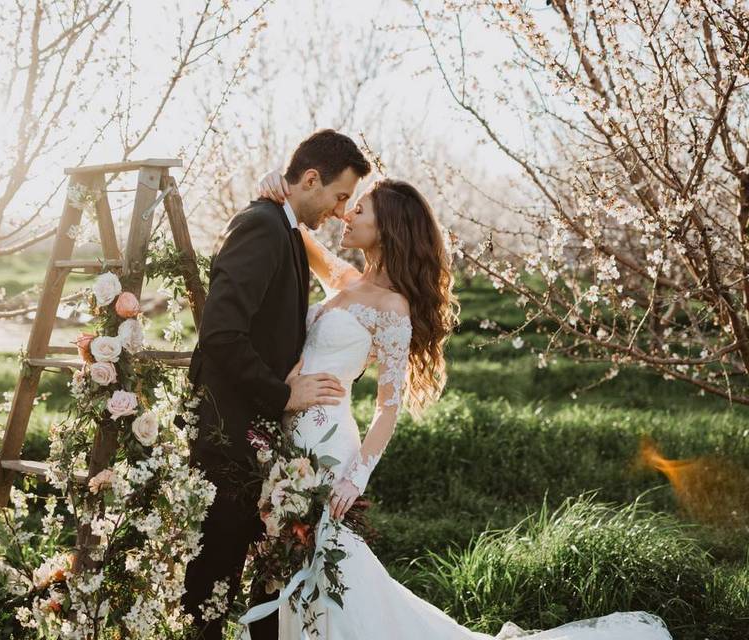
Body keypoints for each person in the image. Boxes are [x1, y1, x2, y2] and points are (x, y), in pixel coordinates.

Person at [247, 171, 673, 640]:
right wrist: (277, 185)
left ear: (387, 228)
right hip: (290, 437)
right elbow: (299, 226)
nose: (347, 214)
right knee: (296, 555)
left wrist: (356, 477)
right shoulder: (343, 281)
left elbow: (389, 407)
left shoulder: (392, 309)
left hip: (329, 445)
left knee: (328, 557)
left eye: (360, 209)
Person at [180, 129, 372, 640]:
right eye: (338, 196)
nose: (339, 211)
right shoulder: (262, 227)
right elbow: (221, 333)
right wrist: (284, 394)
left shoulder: (284, 226)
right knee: (212, 579)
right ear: (310, 179)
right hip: (230, 431)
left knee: (257, 580)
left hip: (259, 437)